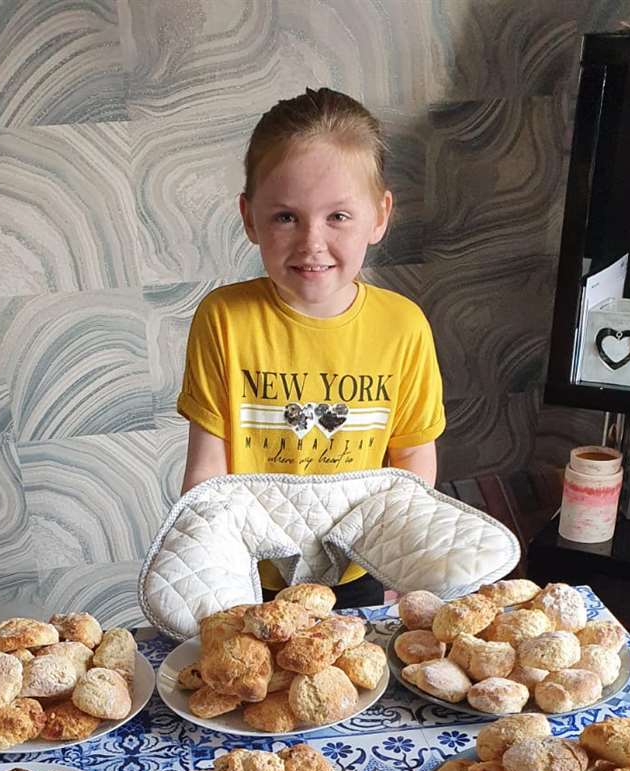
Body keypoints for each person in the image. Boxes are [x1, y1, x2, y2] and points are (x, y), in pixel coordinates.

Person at [177, 87, 445, 607]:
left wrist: (399, 562)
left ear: (380, 215)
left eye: (338, 217)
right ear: (250, 217)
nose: (311, 242)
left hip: (357, 574)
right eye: (285, 217)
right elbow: (207, 470)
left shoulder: (404, 327)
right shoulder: (224, 319)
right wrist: (205, 570)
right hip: (248, 577)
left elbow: (412, 456)